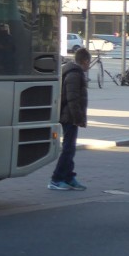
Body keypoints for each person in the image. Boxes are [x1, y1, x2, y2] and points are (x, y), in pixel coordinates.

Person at [49, 45, 91, 191]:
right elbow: (72, 98)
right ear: (85, 61)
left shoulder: (73, 71)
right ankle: (56, 178)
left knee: (70, 148)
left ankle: (68, 177)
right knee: (68, 149)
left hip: (70, 115)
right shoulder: (74, 74)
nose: (89, 66)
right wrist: (78, 118)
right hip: (69, 116)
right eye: (88, 63)